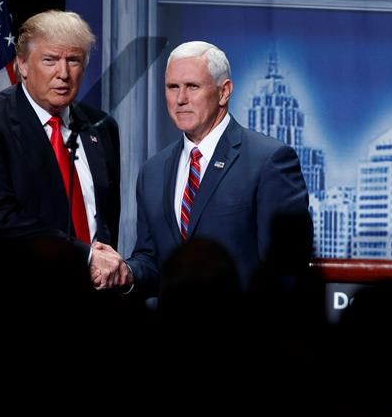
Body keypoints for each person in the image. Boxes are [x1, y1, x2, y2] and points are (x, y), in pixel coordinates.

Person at [99, 40, 312, 296]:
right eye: (172, 87)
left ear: (224, 92)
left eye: (192, 86)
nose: (180, 99)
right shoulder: (153, 171)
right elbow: (151, 259)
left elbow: (286, 269)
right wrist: (127, 272)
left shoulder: (269, 161)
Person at [0, 10, 124, 276]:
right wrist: (85, 257)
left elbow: (108, 220)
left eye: (74, 60)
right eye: (50, 60)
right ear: (22, 65)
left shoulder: (101, 127)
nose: (63, 73)